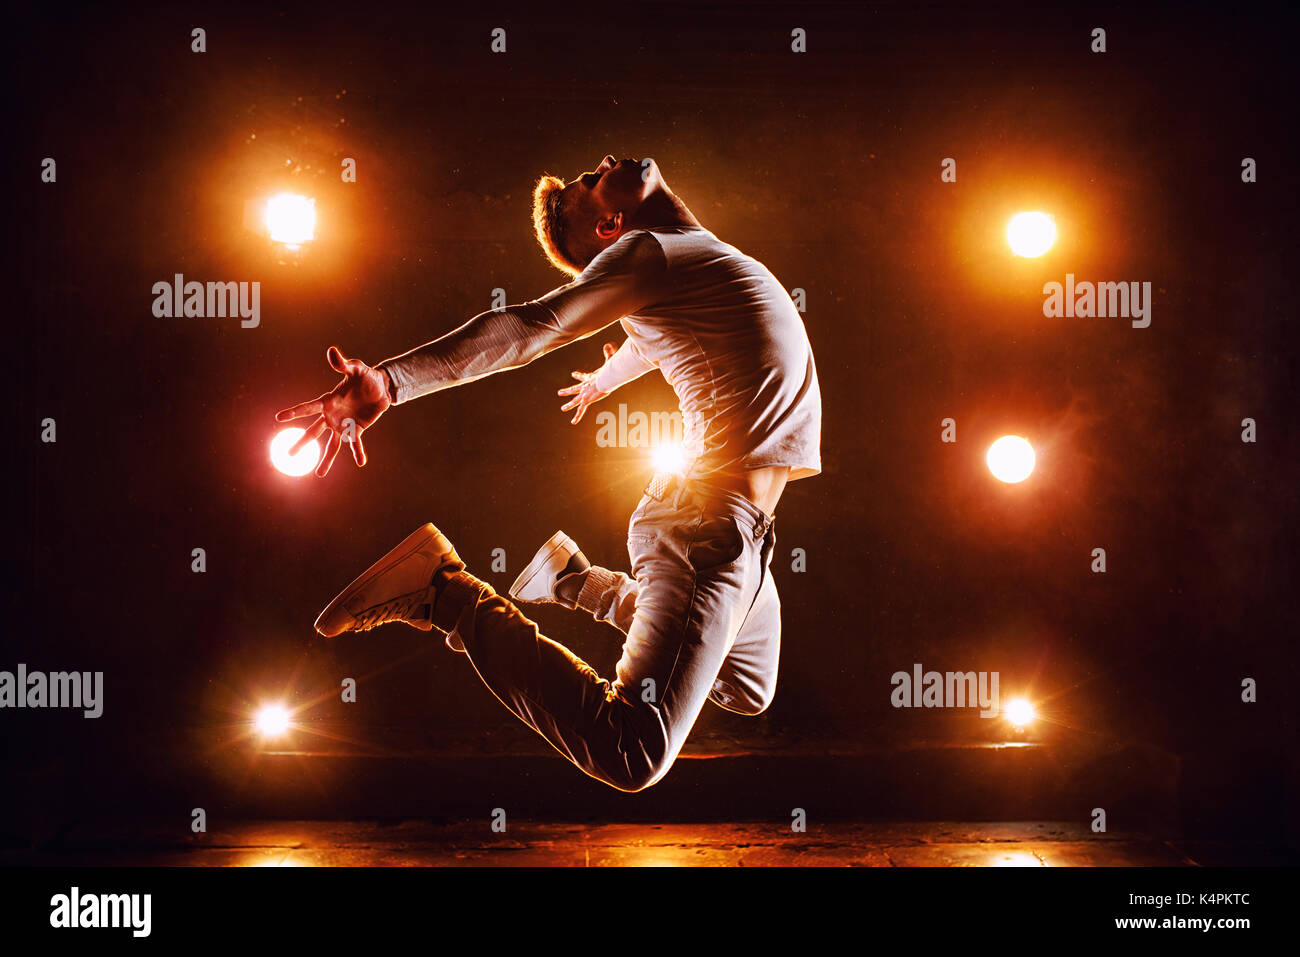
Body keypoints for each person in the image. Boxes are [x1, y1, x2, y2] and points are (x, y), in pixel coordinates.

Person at [275, 155, 821, 791]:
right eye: (591, 183)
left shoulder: (688, 259)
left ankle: (575, 582)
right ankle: (444, 594)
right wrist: (392, 383)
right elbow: (530, 328)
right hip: (706, 526)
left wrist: (604, 378)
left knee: (747, 686)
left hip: (747, 529)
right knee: (631, 752)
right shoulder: (650, 253)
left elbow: (650, 340)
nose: (602, 164)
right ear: (610, 227)